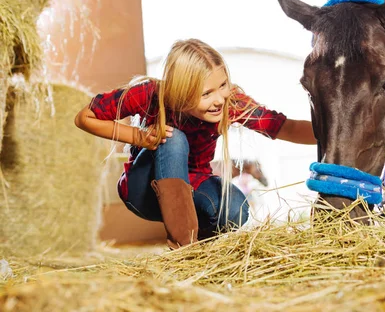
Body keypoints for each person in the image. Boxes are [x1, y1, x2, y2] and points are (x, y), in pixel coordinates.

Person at [74, 39, 315, 249]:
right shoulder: (150, 93)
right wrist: (139, 137)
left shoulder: (230, 103)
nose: (219, 99)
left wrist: (335, 133)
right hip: (143, 189)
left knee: (235, 208)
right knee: (173, 138)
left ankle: (202, 245)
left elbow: (285, 127)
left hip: (193, 184)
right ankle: (186, 249)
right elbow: (85, 117)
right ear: (180, 92)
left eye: (222, 85)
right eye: (206, 93)